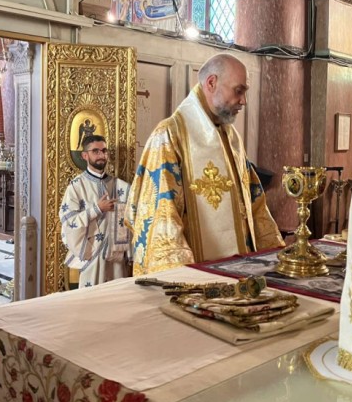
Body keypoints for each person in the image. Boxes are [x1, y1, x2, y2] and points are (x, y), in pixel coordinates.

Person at [127, 53, 284, 275]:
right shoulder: (170, 135)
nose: (244, 101)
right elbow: (162, 218)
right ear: (211, 83)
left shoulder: (231, 137)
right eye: (238, 91)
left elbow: (253, 203)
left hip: (242, 273)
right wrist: (186, 278)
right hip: (201, 278)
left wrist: (273, 255)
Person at [60, 135, 132, 286]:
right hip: (91, 255)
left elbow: (132, 221)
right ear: (85, 155)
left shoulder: (121, 186)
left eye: (104, 151)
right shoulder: (76, 186)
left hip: (116, 258)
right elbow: (69, 221)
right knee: (90, 298)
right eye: (95, 151)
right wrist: (97, 209)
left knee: (117, 296)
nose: (101, 155)